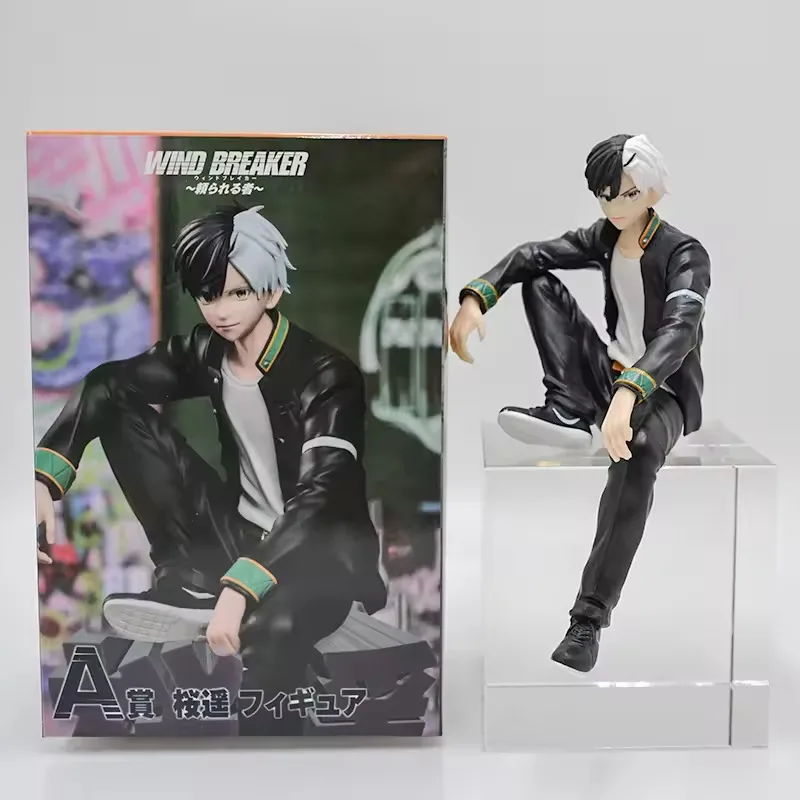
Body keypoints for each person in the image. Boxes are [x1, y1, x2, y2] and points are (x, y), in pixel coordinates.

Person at [34, 203, 387, 731]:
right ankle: (186, 579)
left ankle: (272, 759)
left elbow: (323, 493)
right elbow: (108, 384)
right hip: (234, 533)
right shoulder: (210, 351)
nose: (220, 310)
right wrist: (42, 480)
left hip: (317, 555)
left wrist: (241, 589)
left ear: (271, 291)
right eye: (207, 295)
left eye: (237, 293)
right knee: (119, 403)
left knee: (271, 632)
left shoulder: (327, 374)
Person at [449, 134, 710, 672]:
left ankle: (587, 620)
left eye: (626, 194)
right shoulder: (605, 236)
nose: (614, 207)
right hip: (603, 377)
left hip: (661, 392)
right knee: (538, 282)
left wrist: (631, 392)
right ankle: (569, 408)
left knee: (636, 451)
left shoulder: (684, 254)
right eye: (605, 196)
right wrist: (477, 298)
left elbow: (680, 330)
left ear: (652, 189)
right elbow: (533, 255)